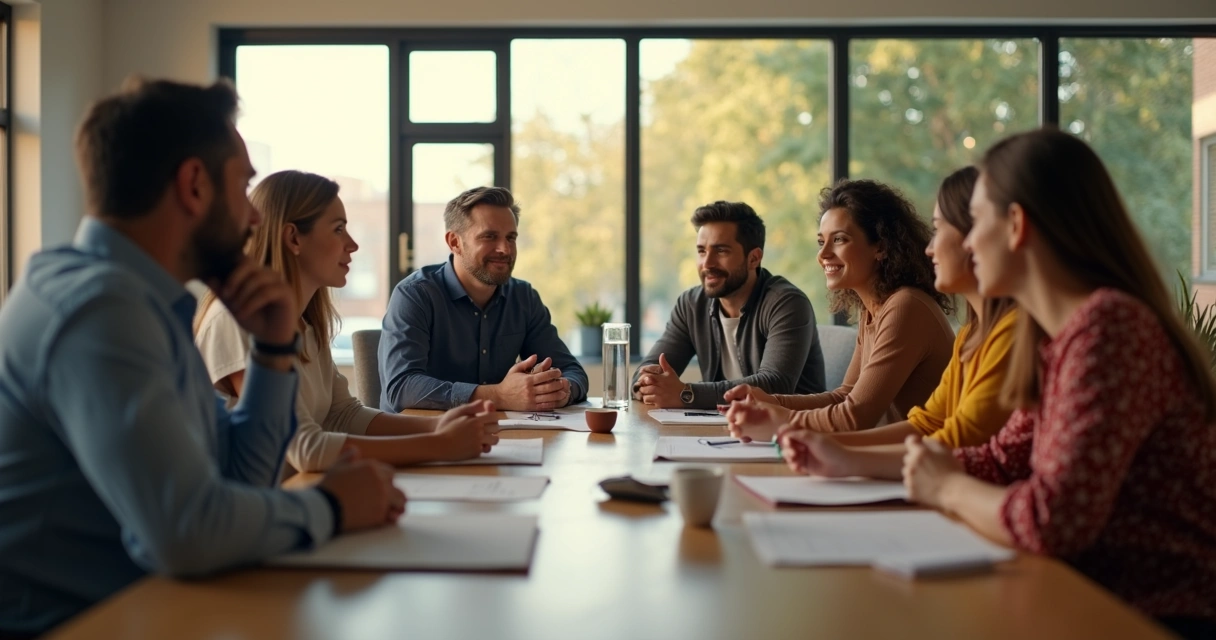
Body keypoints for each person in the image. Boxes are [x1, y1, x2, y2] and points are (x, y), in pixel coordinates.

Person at [0, 78, 403, 637]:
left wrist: (272, 352)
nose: (255, 217)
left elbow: (241, 476)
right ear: (194, 186)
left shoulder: (145, 302)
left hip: (155, 607)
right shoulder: (98, 312)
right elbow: (187, 530)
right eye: (242, 186)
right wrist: (331, 507)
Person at [894, 128, 1216, 637]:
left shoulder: (1111, 328)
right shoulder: (1058, 337)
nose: (967, 241)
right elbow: (1004, 458)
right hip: (1085, 601)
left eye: (976, 221)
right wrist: (931, 467)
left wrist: (947, 487)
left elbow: (1051, 521)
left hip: (1155, 617)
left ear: (1017, 225)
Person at [195, 170, 500, 473]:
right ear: (293, 238)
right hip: (253, 513)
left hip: (293, 496)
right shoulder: (236, 319)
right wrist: (440, 444)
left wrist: (436, 426)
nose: (352, 244)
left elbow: (342, 414)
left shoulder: (304, 322)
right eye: (338, 229)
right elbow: (305, 449)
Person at [779, 167, 1017, 478]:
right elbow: (928, 423)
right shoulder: (970, 334)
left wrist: (786, 423)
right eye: (821, 241)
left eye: (940, 229)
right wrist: (827, 445)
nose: (930, 247)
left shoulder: (908, 306)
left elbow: (957, 441)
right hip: (929, 478)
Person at [725, 179, 954, 442]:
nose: (823, 253)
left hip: (919, 468)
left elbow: (855, 416)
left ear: (880, 246)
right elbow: (844, 394)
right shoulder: (873, 309)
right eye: (821, 241)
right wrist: (771, 401)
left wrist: (778, 420)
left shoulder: (906, 307)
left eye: (840, 239)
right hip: (888, 460)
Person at [379, 186, 588, 412]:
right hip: (421, 440)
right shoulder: (415, 295)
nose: (504, 249)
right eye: (490, 236)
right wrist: (498, 396)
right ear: (454, 242)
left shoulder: (523, 297)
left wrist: (563, 390)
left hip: (499, 437)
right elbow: (401, 388)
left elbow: (572, 371)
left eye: (511, 237)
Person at [632, 201, 825, 409]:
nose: (707, 263)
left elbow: (774, 384)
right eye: (701, 251)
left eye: (721, 251)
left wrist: (686, 393)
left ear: (754, 258)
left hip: (791, 433)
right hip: (723, 430)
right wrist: (648, 383)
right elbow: (647, 369)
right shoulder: (691, 306)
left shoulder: (787, 303)